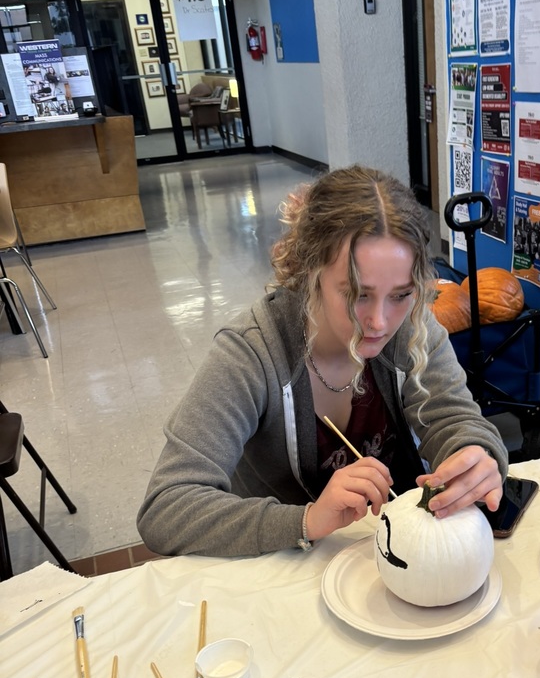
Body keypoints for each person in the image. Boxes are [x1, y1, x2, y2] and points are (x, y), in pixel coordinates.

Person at [137, 165, 507, 558]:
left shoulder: (413, 327)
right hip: (289, 572)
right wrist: (307, 520)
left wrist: (477, 455)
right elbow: (166, 508)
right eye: (357, 296)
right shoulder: (252, 353)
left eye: (400, 294)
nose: (380, 322)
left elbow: (456, 420)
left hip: (397, 553)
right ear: (310, 270)